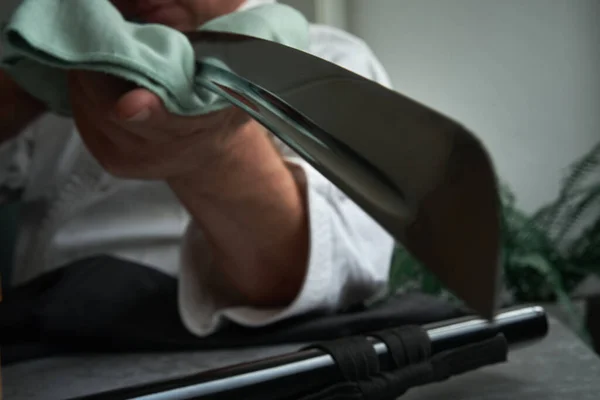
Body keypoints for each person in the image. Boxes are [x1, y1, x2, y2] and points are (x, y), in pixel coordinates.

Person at [0, 0, 394, 337]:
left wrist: (216, 158)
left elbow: (341, 270)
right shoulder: (62, 69)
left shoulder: (328, 61)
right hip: (37, 345)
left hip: (224, 357)